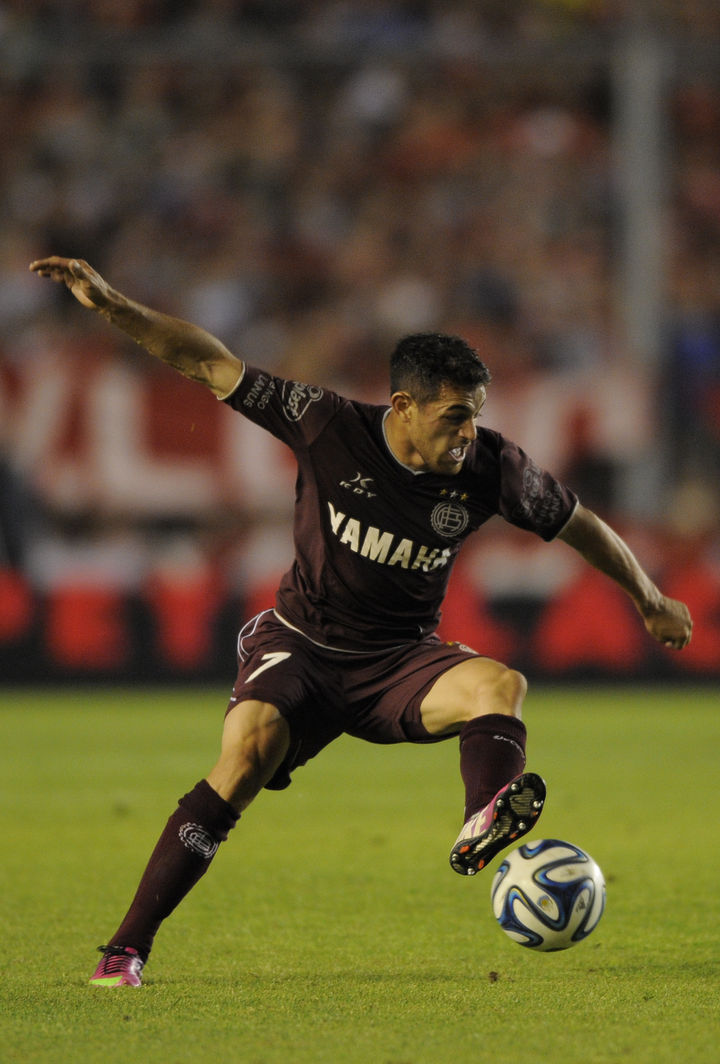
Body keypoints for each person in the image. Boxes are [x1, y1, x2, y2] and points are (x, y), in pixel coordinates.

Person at [30, 256, 693, 988]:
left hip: (399, 662)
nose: (468, 432)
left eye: (475, 413)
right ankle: (125, 949)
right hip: (303, 646)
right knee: (245, 757)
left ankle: (483, 814)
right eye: (454, 416)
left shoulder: (491, 466)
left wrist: (648, 597)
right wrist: (114, 306)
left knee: (500, 684)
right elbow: (207, 361)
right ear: (403, 406)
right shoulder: (327, 424)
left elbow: (578, 523)